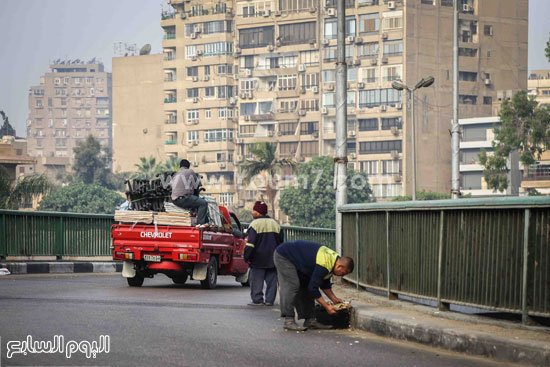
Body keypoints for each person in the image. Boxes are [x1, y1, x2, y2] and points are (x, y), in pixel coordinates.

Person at [273, 240, 354, 331]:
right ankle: (288, 320)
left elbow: (324, 284)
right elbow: (313, 289)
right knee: (292, 285)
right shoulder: (325, 264)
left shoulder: (333, 262)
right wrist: (327, 307)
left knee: (305, 285)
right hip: (284, 256)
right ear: (339, 266)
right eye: (343, 273)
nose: (342, 275)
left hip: (299, 261)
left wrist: (334, 299)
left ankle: (310, 320)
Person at [244, 201, 284, 307]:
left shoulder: (254, 225)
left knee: (256, 280)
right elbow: (281, 242)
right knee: (272, 281)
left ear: (258, 212)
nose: (252, 212)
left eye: (254, 210)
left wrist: (246, 257)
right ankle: (269, 300)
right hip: (273, 258)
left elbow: (250, 244)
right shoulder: (275, 224)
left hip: (257, 259)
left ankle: (258, 300)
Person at [171, 159, 208, 225]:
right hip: (184, 198)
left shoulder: (176, 174)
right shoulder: (190, 172)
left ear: (180, 166)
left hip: (174, 200)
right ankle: (200, 224)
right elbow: (196, 186)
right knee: (203, 203)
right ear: (188, 166)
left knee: (193, 200)